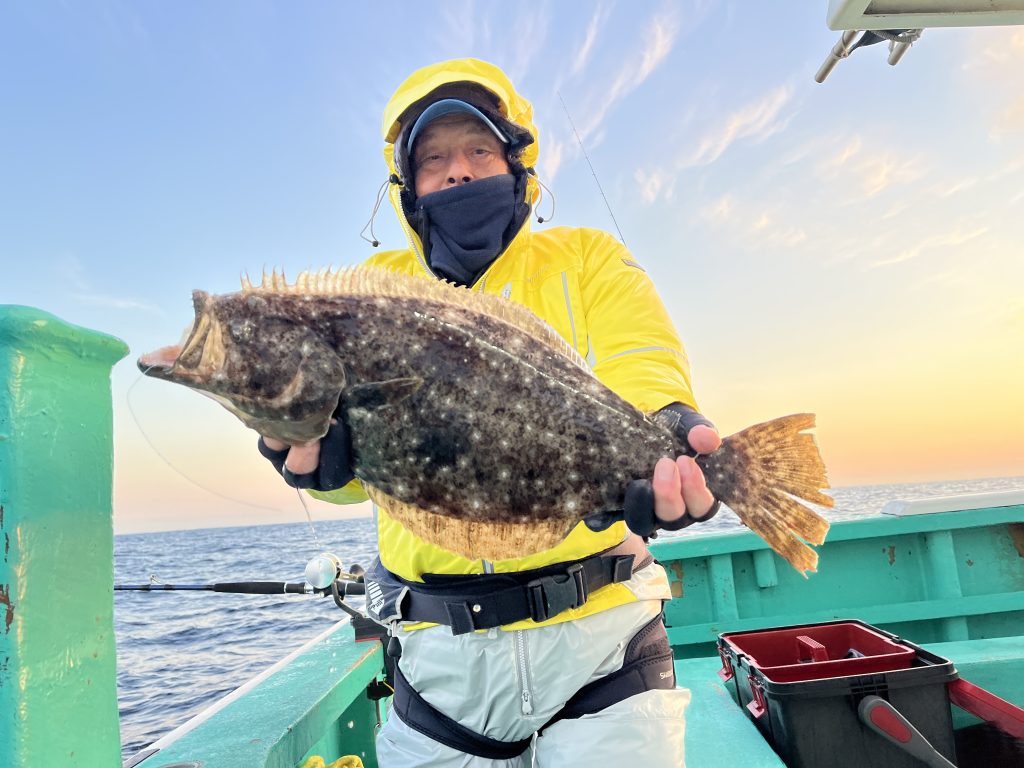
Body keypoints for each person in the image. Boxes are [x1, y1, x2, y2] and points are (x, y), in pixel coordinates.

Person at [258, 58, 721, 767]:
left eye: (479, 150)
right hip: (439, 663)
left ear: (515, 161)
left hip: (604, 641)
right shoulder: (373, 291)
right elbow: (370, 474)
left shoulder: (585, 257)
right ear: (407, 185)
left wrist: (664, 426)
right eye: (434, 159)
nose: (459, 172)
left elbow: (641, 356)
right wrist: (319, 465)